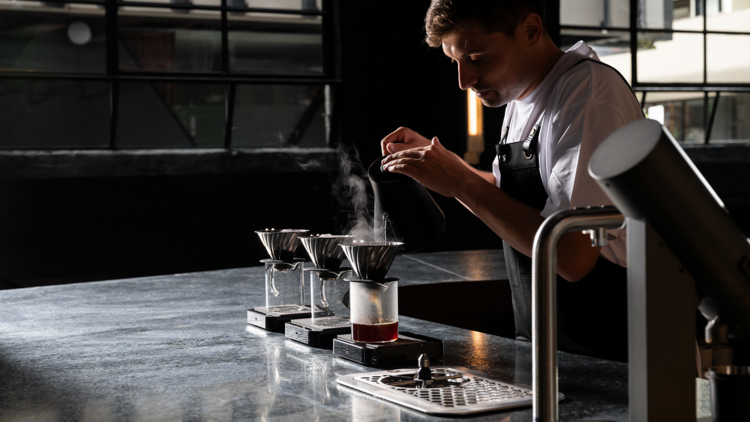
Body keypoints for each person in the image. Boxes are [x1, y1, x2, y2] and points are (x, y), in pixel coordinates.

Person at [379, 0, 643, 362]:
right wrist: (445, 165)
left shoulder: (588, 94)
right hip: (550, 341)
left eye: (479, 58)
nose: (464, 80)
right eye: (455, 62)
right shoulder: (523, 97)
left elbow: (571, 255)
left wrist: (459, 183)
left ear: (531, 30)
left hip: (615, 344)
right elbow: (521, 199)